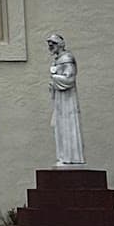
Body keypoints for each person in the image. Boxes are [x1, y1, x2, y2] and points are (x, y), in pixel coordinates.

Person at [46, 32, 85, 166]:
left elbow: (69, 79)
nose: (50, 47)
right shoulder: (57, 60)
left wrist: (54, 77)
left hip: (67, 100)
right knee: (60, 127)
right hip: (60, 100)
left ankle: (70, 157)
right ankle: (63, 156)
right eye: (49, 45)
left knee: (68, 126)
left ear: (59, 45)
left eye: (53, 44)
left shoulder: (67, 59)